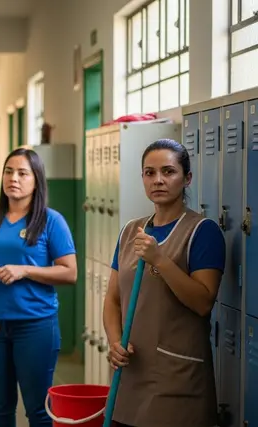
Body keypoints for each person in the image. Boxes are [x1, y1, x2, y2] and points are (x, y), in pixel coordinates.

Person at [103, 139, 224, 427]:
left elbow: (202, 301)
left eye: (168, 172)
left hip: (177, 380)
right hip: (130, 373)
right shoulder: (132, 231)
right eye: (149, 172)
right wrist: (114, 341)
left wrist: (160, 260)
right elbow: (113, 298)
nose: (158, 180)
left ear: (187, 178)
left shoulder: (202, 232)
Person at [0, 147, 77, 427]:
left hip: (36, 324)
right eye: (8, 171)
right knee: (1, 407)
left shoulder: (51, 220)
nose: (13, 178)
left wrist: (25, 271)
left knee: (37, 409)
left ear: (36, 180)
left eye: (22, 173)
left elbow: (70, 272)